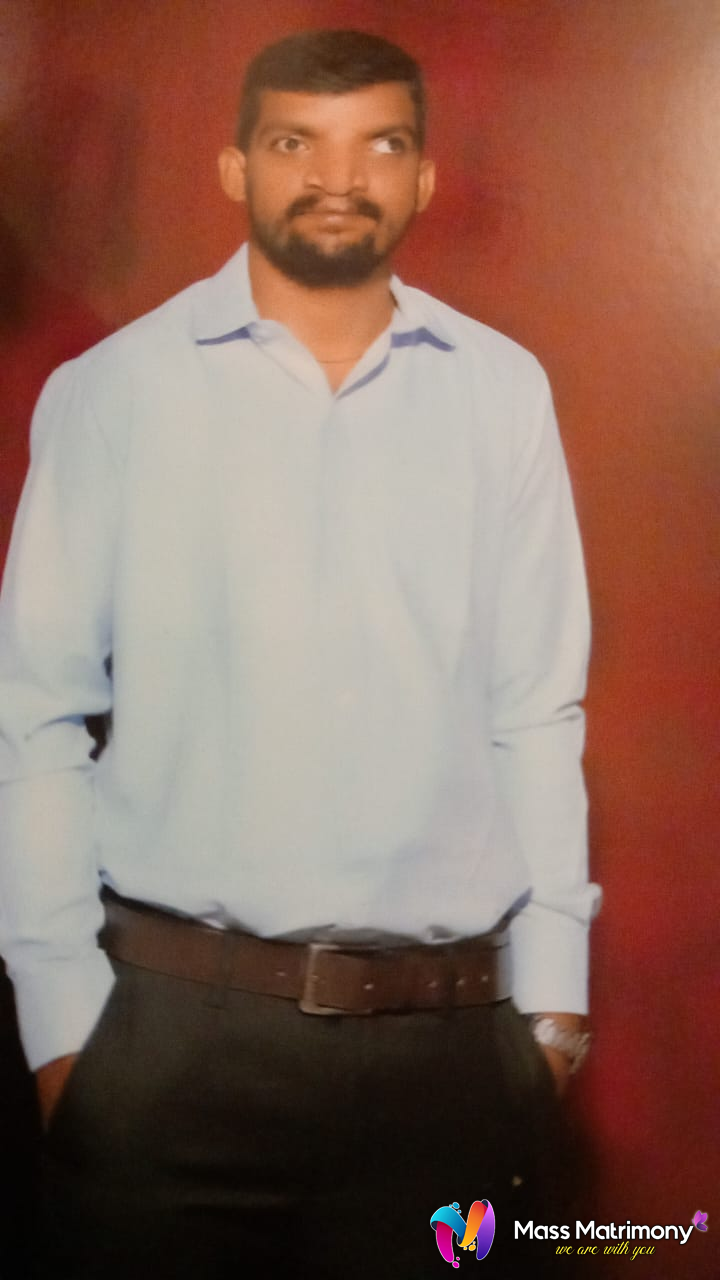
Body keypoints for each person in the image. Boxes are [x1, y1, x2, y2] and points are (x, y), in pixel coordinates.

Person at [0, 29, 600, 1279]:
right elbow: (32, 713)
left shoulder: (502, 394)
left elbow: (537, 707)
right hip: (169, 1041)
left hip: (450, 1051)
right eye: (295, 142)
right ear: (236, 168)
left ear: (423, 177)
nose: (338, 178)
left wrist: (554, 1011)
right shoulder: (115, 393)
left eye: (379, 144)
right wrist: (61, 1026)